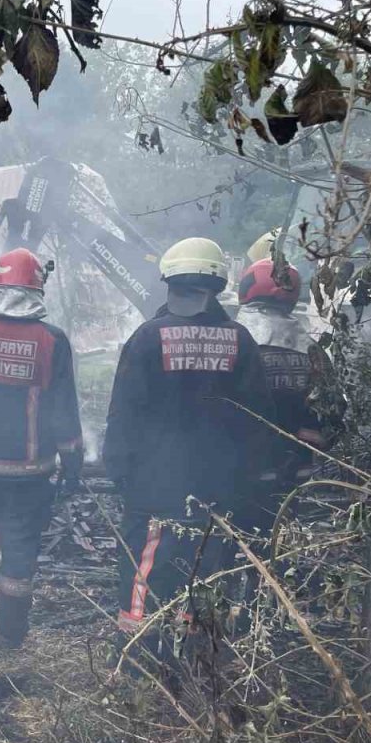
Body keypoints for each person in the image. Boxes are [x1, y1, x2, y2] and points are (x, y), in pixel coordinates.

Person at [103, 237, 273, 638]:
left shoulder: (148, 337)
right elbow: (258, 418)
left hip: (154, 483)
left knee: (144, 566)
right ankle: (190, 655)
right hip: (217, 483)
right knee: (202, 566)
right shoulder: (240, 340)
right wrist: (247, 477)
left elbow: (124, 411)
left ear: (168, 279)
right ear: (218, 285)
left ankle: (138, 653)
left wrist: (118, 469)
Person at [0, 247, 83, 647]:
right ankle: (9, 633)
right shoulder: (51, 340)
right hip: (28, 472)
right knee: (19, 547)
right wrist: (72, 463)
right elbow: (64, 412)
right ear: (37, 288)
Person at [234, 258, 325, 528]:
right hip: (299, 467)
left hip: (247, 464)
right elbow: (333, 408)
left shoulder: (236, 340)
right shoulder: (312, 348)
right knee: (282, 536)